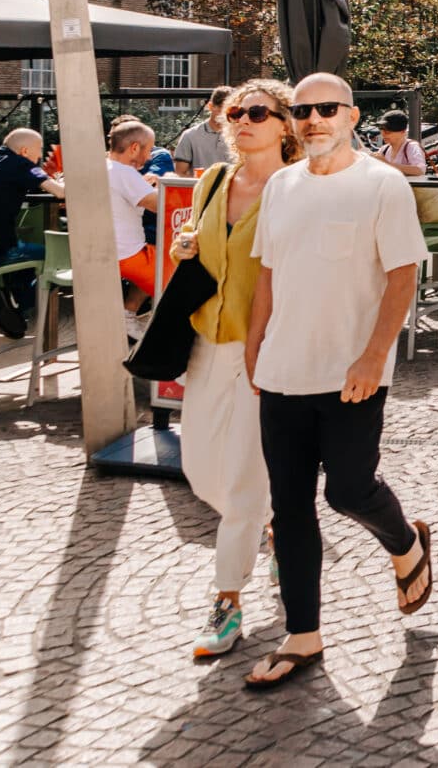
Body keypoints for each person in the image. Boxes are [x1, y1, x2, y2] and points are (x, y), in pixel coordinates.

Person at [242, 73, 432, 689]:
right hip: (282, 371)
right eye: (302, 110)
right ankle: (304, 636)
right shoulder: (281, 187)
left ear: (352, 116)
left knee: (348, 492)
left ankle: (406, 544)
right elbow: (268, 273)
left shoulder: (382, 185)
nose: (313, 118)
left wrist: (374, 357)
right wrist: (254, 344)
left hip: (352, 373)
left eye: (327, 108)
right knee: (290, 507)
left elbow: (402, 276)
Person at [170, 78, 295, 660]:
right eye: (235, 112)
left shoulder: (296, 190)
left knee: (243, 476)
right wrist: (186, 248)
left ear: (285, 124)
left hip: (263, 350)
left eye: (257, 112)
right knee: (198, 469)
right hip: (204, 338)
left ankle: (227, 599)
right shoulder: (213, 180)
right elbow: (196, 243)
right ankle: (271, 527)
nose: (241, 120)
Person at [0, 128, 64, 337]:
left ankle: (11, 301)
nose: (39, 156)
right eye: (38, 150)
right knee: (59, 259)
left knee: (25, 258)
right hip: (0, 250)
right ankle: (19, 306)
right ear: (24, 151)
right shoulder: (21, 164)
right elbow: (60, 192)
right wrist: (62, 181)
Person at [106, 118, 163, 340]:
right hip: (127, 256)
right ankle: (162, 343)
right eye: (148, 150)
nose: (149, 157)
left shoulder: (101, 167)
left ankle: (128, 316)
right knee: (182, 281)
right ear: (134, 148)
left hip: (101, 254)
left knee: (160, 253)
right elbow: (159, 206)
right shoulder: (125, 172)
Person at [173, 86, 233, 176]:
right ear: (210, 106)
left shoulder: (241, 136)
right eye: (221, 107)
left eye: (230, 109)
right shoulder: (190, 136)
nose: (225, 113)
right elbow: (180, 174)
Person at [375, 111, 427, 178]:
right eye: (381, 130)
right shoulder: (384, 149)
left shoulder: (411, 147)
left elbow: (420, 170)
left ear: (403, 131)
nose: (383, 134)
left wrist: (387, 164)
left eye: (388, 132)